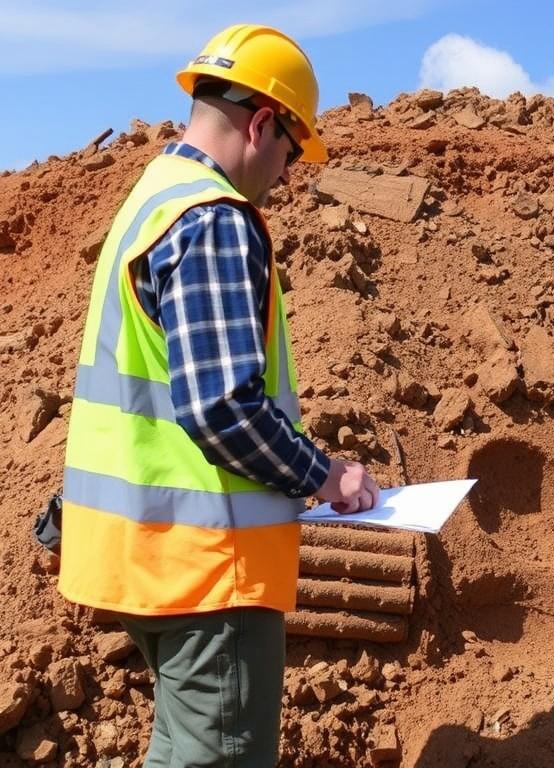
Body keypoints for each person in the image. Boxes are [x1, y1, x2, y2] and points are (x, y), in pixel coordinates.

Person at [58, 25, 378, 765]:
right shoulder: (212, 218)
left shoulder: (151, 198)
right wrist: (325, 475)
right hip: (208, 569)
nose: (287, 175)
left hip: (148, 558)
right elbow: (221, 407)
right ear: (263, 123)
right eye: (291, 151)